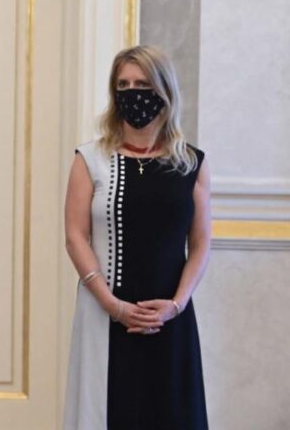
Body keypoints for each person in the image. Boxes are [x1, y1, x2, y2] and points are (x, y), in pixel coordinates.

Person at [63, 45, 210, 430]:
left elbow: (200, 244)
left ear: (163, 89)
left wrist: (176, 305)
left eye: (142, 84)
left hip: (170, 319)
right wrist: (112, 305)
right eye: (123, 85)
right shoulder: (90, 159)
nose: (133, 93)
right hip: (105, 314)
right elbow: (75, 236)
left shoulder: (191, 163)